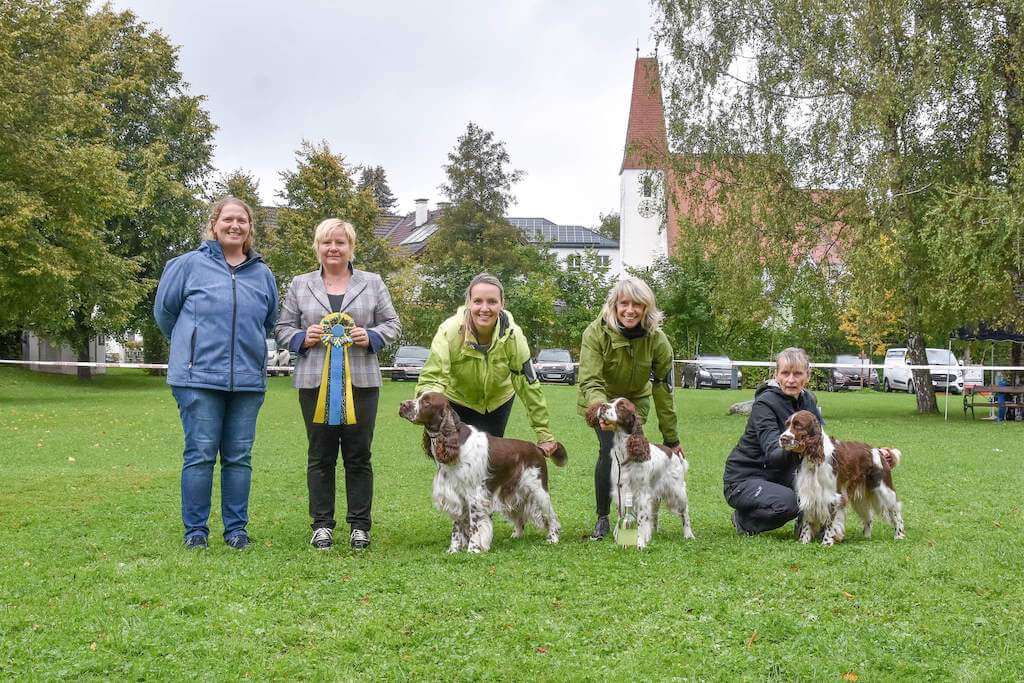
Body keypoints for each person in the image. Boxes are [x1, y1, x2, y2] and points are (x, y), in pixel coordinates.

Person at [154, 196, 278, 550]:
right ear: (214, 224)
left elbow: (268, 320)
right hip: (196, 380)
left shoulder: (263, 273)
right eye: (228, 219)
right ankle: (196, 532)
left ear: (250, 229)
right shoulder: (187, 265)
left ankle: (236, 531)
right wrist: (190, 347)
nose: (235, 225)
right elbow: (165, 314)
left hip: (247, 381)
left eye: (242, 220)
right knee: (200, 454)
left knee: (239, 458)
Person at [275, 218, 400, 550]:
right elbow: (282, 328)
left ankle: (360, 526)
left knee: (359, 455)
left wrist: (370, 335)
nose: (333, 248)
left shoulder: (372, 283)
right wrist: (303, 337)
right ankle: (322, 525)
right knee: (320, 455)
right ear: (317, 246)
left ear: (351, 247)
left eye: (340, 242)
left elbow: (393, 324)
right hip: (313, 383)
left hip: (361, 383)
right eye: (327, 242)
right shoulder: (300, 284)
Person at [577, 276, 681, 540]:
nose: (630, 310)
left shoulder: (657, 340)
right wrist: (601, 410)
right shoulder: (595, 333)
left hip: (635, 403)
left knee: (633, 458)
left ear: (647, 308)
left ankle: (630, 525)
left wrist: (671, 438)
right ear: (614, 305)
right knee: (608, 451)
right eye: (624, 303)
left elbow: (663, 390)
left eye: (638, 305)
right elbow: (591, 380)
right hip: (602, 399)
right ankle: (603, 518)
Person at [416, 272, 558, 453]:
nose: (485, 308)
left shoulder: (514, 335)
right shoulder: (449, 331)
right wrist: (427, 409)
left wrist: (544, 433)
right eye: (478, 301)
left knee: (489, 462)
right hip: (459, 401)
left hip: (498, 402)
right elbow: (433, 378)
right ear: (468, 303)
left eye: (492, 301)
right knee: (455, 461)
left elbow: (528, 384)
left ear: (502, 304)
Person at [723, 347, 824, 536]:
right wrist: (796, 447)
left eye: (797, 373)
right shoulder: (764, 404)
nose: (791, 380)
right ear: (776, 375)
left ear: (807, 376)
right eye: (785, 373)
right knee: (789, 503)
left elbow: (823, 441)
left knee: (821, 485)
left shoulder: (808, 401)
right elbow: (773, 454)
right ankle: (744, 521)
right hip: (744, 478)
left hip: (779, 476)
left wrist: (874, 456)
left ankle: (808, 525)